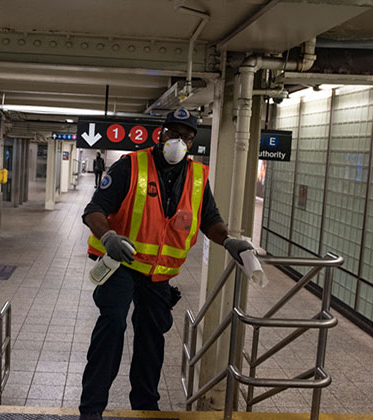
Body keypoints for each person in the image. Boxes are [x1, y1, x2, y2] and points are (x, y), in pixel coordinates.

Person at [79, 108, 253, 420]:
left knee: (151, 338)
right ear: (161, 134)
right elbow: (95, 208)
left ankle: (146, 407)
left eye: (186, 137)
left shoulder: (197, 177)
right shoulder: (130, 166)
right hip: (122, 264)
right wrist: (108, 238)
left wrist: (228, 240)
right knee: (113, 324)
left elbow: (209, 220)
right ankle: (91, 410)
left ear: (192, 142)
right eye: (173, 133)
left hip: (158, 276)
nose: (179, 141)